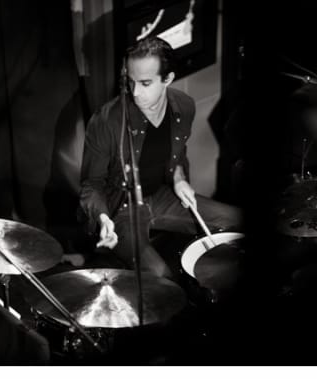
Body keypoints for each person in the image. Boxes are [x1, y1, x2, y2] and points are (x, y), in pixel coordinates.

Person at [79, 36, 241, 280]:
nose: (135, 93)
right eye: (130, 82)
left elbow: (177, 153)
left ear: (168, 79)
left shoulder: (184, 106)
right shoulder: (106, 120)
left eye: (145, 83)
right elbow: (91, 184)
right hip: (121, 209)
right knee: (159, 275)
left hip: (162, 196)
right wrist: (102, 218)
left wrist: (179, 178)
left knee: (237, 221)